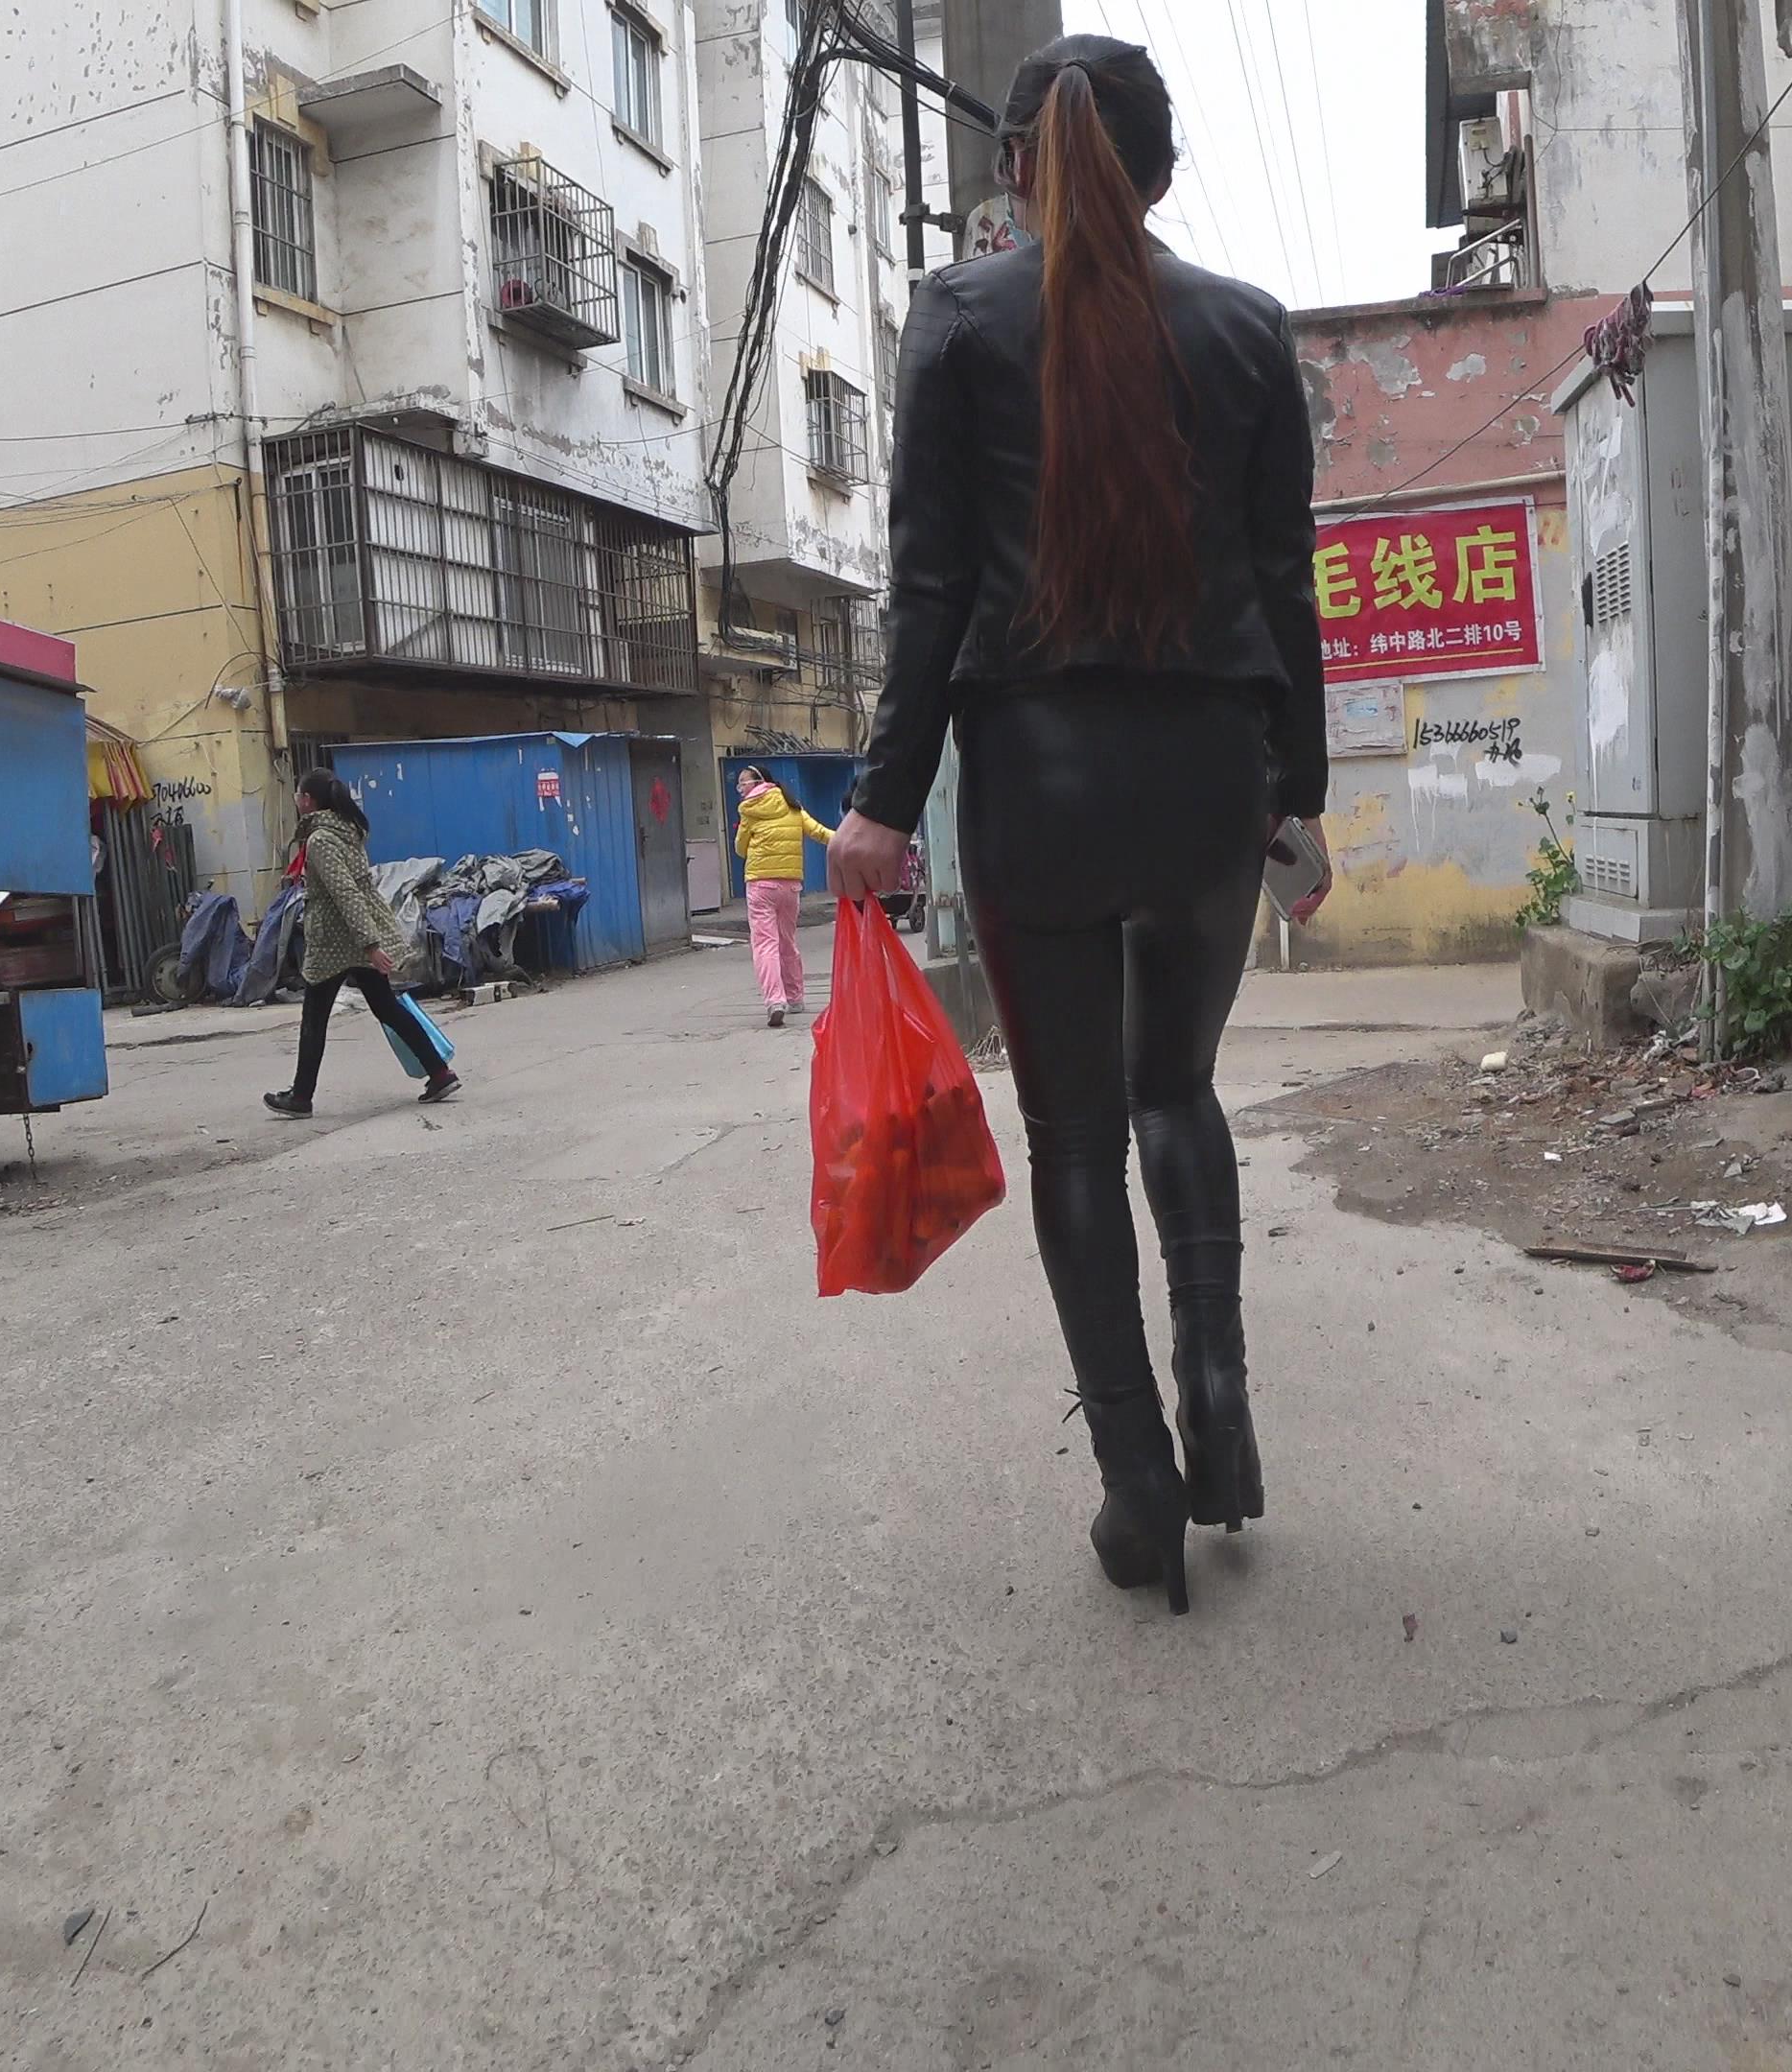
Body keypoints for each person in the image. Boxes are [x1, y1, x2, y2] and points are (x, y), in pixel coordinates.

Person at [826, 34, 1329, 1616]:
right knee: (1177, 1087)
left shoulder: (959, 318)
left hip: (1035, 781)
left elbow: (928, 588)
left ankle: (1138, 1484)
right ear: (1161, 172)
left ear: (1017, 170)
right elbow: (1287, 579)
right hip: (1210, 779)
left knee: (1076, 1136)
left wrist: (883, 803)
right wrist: (1300, 792)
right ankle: (1220, 1403)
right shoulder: (1247, 330)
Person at [264, 768, 459, 1117]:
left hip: (336, 940)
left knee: (314, 1017)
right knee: (387, 1008)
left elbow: (345, 892)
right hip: (357, 933)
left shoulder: (321, 839)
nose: (296, 801)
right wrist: (369, 941)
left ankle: (301, 1097)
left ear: (308, 801)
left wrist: (370, 944)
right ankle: (439, 1072)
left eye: (298, 795)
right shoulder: (348, 829)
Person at [731, 768, 837, 1027]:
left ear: (759, 782)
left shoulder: (749, 811)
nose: (741, 788)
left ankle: (775, 1001)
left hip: (760, 884)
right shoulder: (793, 807)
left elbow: (740, 849)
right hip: (790, 886)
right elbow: (819, 832)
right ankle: (795, 997)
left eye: (743, 783)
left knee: (765, 945)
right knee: (787, 942)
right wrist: (849, 839)